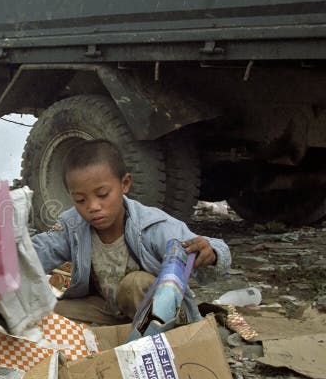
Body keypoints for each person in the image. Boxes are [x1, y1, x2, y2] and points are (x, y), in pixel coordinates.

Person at [32, 139, 231, 325]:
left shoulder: (153, 225)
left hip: (161, 317)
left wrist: (211, 254)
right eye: (80, 200)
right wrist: (7, 255)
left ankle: (157, 340)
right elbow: (41, 250)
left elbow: (214, 249)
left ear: (125, 183)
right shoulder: (73, 226)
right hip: (110, 310)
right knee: (45, 308)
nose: (93, 206)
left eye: (102, 195)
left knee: (135, 283)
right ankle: (118, 338)